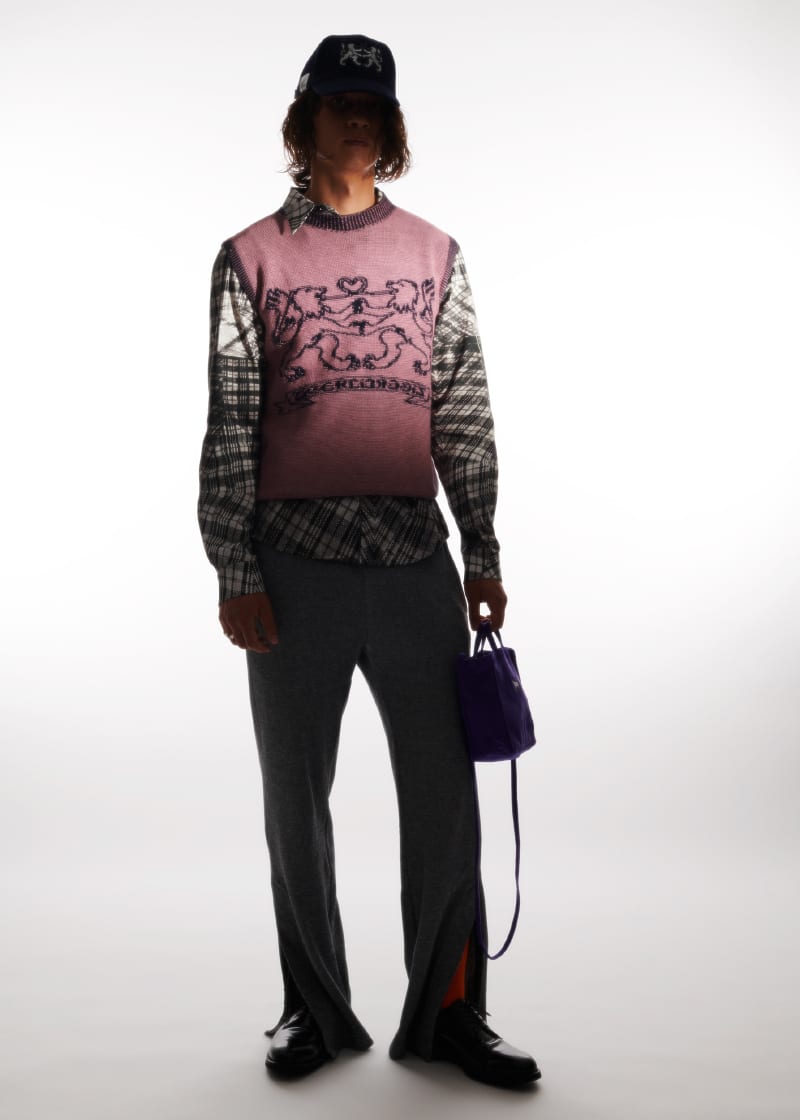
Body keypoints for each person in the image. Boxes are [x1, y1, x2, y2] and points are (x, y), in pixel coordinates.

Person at [198, 33, 540, 1088]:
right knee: (294, 802)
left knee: (444, 801)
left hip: (411, 560)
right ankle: (313, 1011)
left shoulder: (435, 252)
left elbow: (464, 411)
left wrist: (481, 548)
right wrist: (234, 567)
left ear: (391, 127)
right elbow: (232, 416)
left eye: (373, 104)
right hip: (291, 565)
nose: (356, 117)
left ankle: (450, 1014)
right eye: (338, 101)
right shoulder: (250, 255)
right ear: (303, 122)